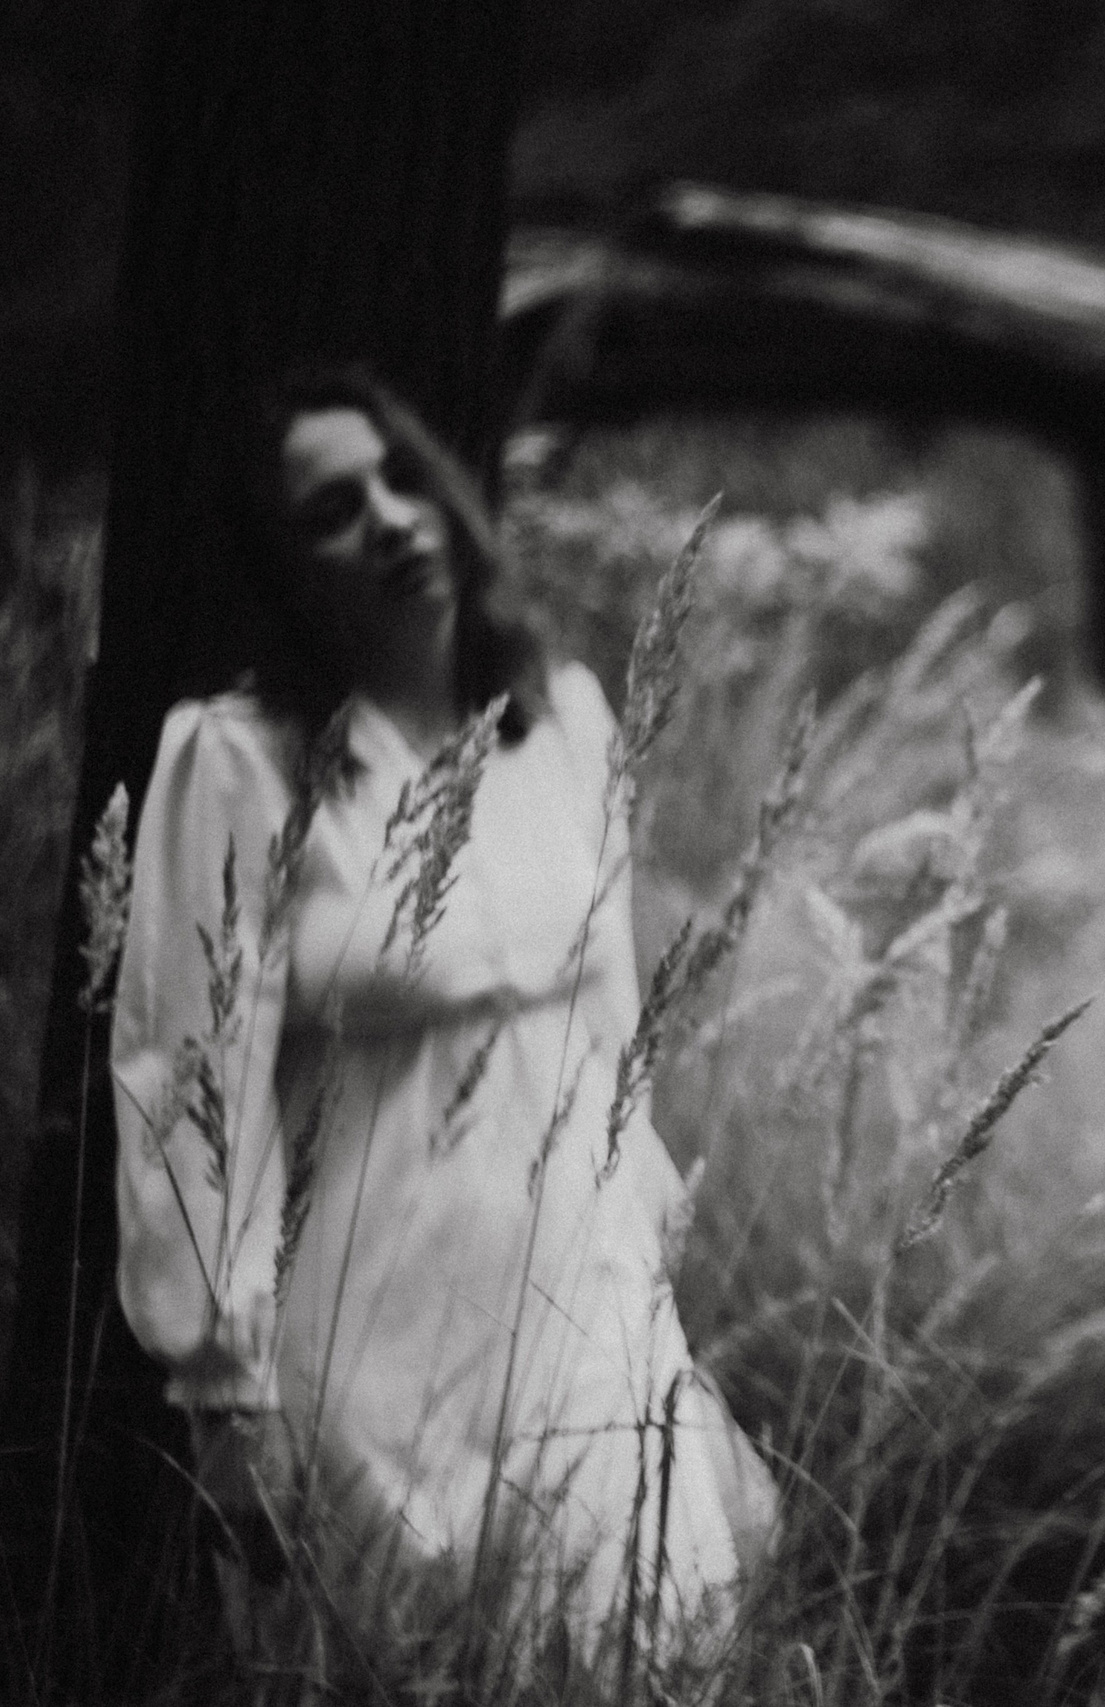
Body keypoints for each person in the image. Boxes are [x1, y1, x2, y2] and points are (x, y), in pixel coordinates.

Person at [107, 367, 775, 1671]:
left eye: (403, 477)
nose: (394, 518)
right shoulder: (239, 761)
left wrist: (642, 1264)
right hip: (372, 1355)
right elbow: (187, 1082)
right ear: (281, 568)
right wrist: (220, 1387)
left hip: (582, 1325)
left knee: (640, 1655)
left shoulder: (565, 724)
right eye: (335, 509)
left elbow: (612, 1038)